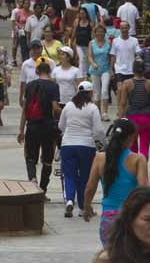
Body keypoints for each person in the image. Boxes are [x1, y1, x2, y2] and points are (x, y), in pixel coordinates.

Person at [84, 118, 149, 244]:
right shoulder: (138, 160)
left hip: (108, 220)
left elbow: (90, 188)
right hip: (131, 219)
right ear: (131, 137)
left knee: (111, 255)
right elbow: (144, 190)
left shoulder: (100, 158)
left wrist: (87, 208)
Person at [59, 81, 105, 218]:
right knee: (85, 177)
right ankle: (83, 207)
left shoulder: (68, 106)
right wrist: (102, 143)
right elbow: (98, 130)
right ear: (90, 93)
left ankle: (69, 200)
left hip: (68, 145)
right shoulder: (92, 108)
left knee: (69, 175)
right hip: (86, 146)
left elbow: (61, 126)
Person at [18, 60, 60, 193]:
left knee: (30, 157)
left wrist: (21, 130)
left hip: (32, 126)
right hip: (48, 126)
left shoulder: (30, 85)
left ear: (37, 71)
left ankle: (33, 180)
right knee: (47, 160)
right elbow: (55, 108)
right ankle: (42, 189)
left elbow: (25, 109)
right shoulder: (53, 86)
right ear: (49, 71)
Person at [117, 60, 150, 158]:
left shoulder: (127, 83)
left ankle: (134, 166)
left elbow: (123, 103)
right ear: (144, 70)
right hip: (146, 118)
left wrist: (120, 120)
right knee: (144, 147)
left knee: (132, 147)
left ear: (133, 70)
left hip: (132, 118)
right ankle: (143, 165)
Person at [109, 20, 139, 105]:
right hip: (119, 69)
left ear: (129, 28)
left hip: (131, 69)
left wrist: (138, 60)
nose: (124, 30)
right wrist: (111, 69)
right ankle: (120, 108)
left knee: (130, 90)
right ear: (120, 29)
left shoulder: (134, 40)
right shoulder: (115, 41)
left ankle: (128, 107)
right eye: (122, 28)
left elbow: (138, 53)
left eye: (126, 28)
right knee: (120, 89)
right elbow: (113, 55)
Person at [88, 24, 112, 119]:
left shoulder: (108, 42)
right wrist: (93, 63)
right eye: (98, 32)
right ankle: (97, 113)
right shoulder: (91, 43)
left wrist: (111, 69)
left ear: (104, 33)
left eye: (102, 31)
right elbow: (90, 56)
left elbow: (111, 56)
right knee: (96, 92)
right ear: (95, 33)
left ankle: (105, 113)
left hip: (105, 69)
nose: (100, 33)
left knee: (104, 90)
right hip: (95, 70)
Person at [71, 6, 94, 78]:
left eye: (83, 13)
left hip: (88, 45)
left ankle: (87, 74)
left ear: (86, 14)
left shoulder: (90, 23)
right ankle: (81, 76)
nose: (82, 15)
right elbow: (74, 33)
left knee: (87, 60)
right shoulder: (77, 22)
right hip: (79, 45)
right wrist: (71, 42)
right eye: (80, 13)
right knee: (81, 59)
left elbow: (92, 36)